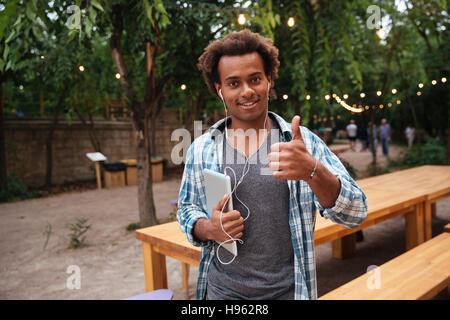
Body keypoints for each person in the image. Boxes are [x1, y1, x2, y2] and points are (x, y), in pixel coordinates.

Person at [177, 29, 367, 300]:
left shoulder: (302, 144)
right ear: (219, 90)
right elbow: (186, 209)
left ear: (268, 80)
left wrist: (313, 171)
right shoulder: (202, 148)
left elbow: (355, 213)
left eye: (255, 79)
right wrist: (208, 228)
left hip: (288, 292)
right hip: (221, 292)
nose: (247, 91)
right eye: (233, 83)